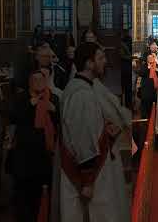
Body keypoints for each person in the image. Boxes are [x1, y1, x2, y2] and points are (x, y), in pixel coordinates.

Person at [51, 42, 129, 222]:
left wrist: (107, 131)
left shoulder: (85, 87)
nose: (105, 61)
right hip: (91, 172)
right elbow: (82, 138)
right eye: (100, 58)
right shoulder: (81, 94)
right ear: (89, 63)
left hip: (95, 167)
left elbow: (89, 127)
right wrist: (87, 181)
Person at [8, 70, 59, 222]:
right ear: (29, 83)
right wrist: (31, 105)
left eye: (41, 80)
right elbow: (13, 119)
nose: (38, 83)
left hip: (46, 156)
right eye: (34, 80)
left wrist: (54, 110)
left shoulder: (54, 99)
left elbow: (61, 122)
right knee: (25, 199)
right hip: (25, 158)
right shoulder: (21, 99)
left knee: (45, 196)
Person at [138, 53, 158, 119]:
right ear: (147, 60)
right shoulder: (144, 65)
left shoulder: (157, 65)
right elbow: (141, 73)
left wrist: (157, 71)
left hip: (155, 89)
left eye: (152, 58)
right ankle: (145, 120)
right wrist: (148, 68)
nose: (150, 59)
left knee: (155, 106)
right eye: (149, 58)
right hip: (146, 90)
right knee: (146, 106)